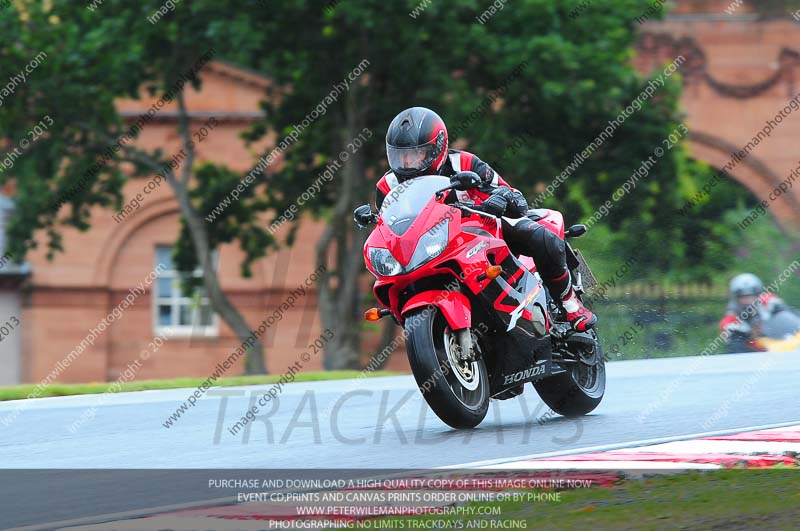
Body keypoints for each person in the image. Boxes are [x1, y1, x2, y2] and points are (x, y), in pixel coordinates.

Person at [375, 106, 596, 332]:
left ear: (438, 147)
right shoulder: (387, 186)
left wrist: (499, 198)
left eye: (415, 154)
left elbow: (515, 198)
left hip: (481, 230)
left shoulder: (465, 163)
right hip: (432, 247)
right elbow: (387, 226)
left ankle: (570, 304)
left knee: (542, 238)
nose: (406, 162)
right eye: (400, 155)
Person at [720, 273, 788, 352]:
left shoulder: (769, 302)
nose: (748, 300)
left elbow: (790, 315)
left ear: (758, 295)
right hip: (756, 356)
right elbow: (736, 348)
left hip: (782, 344)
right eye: (743, 297)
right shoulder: (731, 322)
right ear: (736, 299)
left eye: (751, 296)